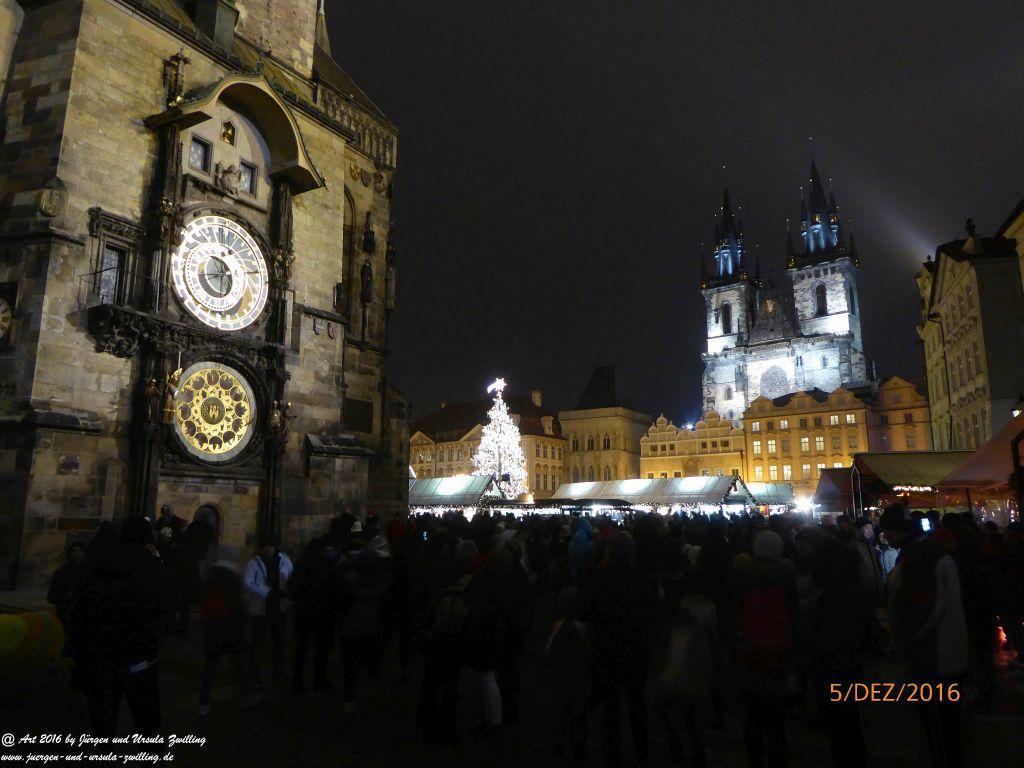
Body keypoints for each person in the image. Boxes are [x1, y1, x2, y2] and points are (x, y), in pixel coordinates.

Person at [880, 503, 968, 768]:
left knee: (938, 725)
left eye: (887, 531)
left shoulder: (919, 560)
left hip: (934, 656)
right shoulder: (929, 552)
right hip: (945, 651)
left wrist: (903, 640)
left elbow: (921, 612)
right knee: (946, 724)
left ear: (897, 532)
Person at [74, 516, 176, 737]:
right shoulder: (150, 567)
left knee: (102, 727)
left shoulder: (100, 563)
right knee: (148, 727)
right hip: (139, 659)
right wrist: (157, 560)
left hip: (102, 656)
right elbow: (169, 603)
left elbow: (81, 606)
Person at [579, 531, 652, 768]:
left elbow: (585, 612)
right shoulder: (642, 579)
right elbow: (653, 617)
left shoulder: (599, 578)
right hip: (635, 650)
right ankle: (642, 750)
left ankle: (613, 754)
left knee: (610, 707)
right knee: (636, 702)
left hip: (606, 650)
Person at [730, 529, 797, 768]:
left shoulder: (742, 578)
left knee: (753, 720)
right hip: (780, 653)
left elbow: (733, 616)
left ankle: (755, 759)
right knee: (776, 721)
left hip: (749, 653)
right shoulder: (788, 578)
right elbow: (794, 617)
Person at [652, 593, 715, 768]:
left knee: (676, 720)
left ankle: (678, 751)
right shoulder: (701, 625)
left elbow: (673, 663)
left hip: (678, 685)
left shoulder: (678, 633)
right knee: (692, 723)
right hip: (695, 683)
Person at [337, 521, 392, 711]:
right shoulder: (380, 572)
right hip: (370, 621)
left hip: (350, 622)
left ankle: (350, 695)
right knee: (370, 655)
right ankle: (368, 687)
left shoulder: (346, 569)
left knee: (350, 660)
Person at [289, 528, 342, 693]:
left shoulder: (302, 564)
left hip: (304, 612)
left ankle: (298, 682)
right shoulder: (328, 565)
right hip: (323, 613)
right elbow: (336, 589)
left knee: (301, 649)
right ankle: (319, 680)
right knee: (321, 650)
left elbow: (292, 587)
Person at [198, 544, 249, 715]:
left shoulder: (210, 574)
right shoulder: (233, 575)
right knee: (237, 662)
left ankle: (203, 703)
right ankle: (244, 695)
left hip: (211, 627)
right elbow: (237, 604)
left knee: (210, 666)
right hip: (230, 627)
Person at [243, 535, 293, 690]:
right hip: (261, 608)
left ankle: (278, 672)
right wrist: (266, 593)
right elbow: (248, 582)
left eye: (270, 547)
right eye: (265, 547)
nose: (268, 550)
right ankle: (254, 675)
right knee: (257, 643)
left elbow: (290, 576)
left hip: (279, 606)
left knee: (279, 643)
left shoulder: (284, 560)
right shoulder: (254, 562)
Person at [47, 542, 89, 655]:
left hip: (83, 617)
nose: (77, 554)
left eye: (80, 551)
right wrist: (65, 596)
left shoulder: (89, 572)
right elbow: (52, 596)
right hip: (66, 616)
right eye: (74, 551)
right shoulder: (61, 573)